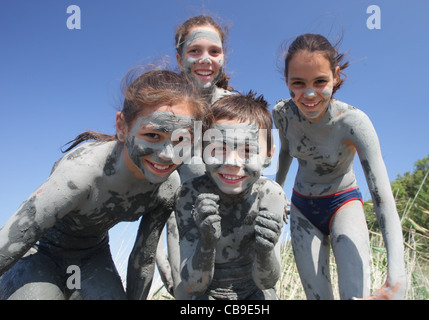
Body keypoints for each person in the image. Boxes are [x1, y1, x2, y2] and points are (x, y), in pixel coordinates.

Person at [0, 68, 209, 300]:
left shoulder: (168, 186)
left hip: (92, 256)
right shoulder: (82, 173)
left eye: (181, 140)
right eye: (152, 136)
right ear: (122, 127)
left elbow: (144, 259)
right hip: (39, 253)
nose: (168, 154)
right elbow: (12, 241)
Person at [272, 33, 406, 300]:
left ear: (336, 76)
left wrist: (397, 276)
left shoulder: (353, 122)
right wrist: (276, 191)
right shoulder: (282, 114)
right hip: (302, 208)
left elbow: (382, 199)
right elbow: (286, 150)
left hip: (343, 202)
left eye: (320, 81)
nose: (309, 94)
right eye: (298, 83)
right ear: (287, 81)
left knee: (354, 295)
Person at [175, 92, 286, 300]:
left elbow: (267, 282)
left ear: (269, 155)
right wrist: (207, 243)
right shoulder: (189, 195)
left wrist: (265, 250)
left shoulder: (270, 194)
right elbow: (192, 285)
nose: (233, 162)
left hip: (254, 292)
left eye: (247, 150)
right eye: (219, 149)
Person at [155, 15, 236, 298]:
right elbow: (158, 178)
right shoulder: (167, 110)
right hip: (185, 228)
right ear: (179, 60)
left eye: (214, 51)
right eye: (194, 51)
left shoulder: (236, 106)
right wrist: (158, 252)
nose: (205, 59)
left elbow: (262, 169)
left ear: (223, 57)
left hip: (236, 225)